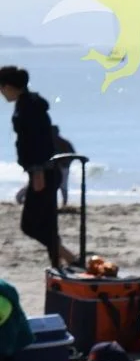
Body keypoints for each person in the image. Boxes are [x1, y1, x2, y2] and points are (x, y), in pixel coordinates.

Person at [3, 66, 68, 270]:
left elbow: (36, 142)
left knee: (30, 225)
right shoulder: (29, 104)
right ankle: (59, 265)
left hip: (44, 171)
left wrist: (38, 170)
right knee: (47, 223)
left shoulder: (28, 108)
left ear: (8, 86)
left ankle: (68, 257)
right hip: (45, 170)